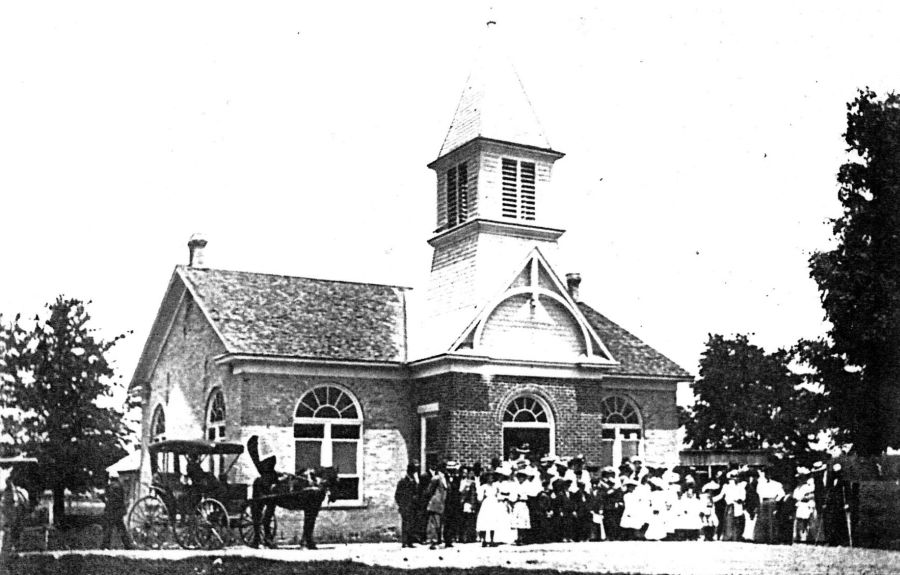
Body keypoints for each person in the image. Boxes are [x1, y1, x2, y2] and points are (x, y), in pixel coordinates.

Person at [101, 471, 135, 550]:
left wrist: (104, 499)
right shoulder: (120, 485)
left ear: (111, 478)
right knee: (121, 528)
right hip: (119, 510)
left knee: (109, 528)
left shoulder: (111, 486)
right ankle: (128, 545)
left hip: (112, 511)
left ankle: (105, 545)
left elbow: (111, 500)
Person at [753, 467, 785, 544]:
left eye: (769, 473)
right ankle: (761, 538)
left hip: (771, 502)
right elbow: (759, 495)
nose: (767, 475)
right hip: (763, 502)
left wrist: (775, 501)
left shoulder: (777, 484)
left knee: (771, 520)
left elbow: (782, 494)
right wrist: (760, 504)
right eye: (766, 473)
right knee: (762, 520)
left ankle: (772, 538)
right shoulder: (761, 484)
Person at [394, 463, 420, 548]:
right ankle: (404, 542)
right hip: (405, 506)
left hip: (412, 506)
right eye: (413, 471)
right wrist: (401, 505)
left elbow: (416, 493)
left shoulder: (414, 481)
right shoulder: (402, 482)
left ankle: (410, 542)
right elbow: (397, 495)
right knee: (405, 524)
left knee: (412, 524)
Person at [425, 463, 448, 549]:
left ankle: (439, 540)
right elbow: (429, 490)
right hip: (435, 503)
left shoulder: (444, 478)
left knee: (439, 523)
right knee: (434, 523)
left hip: (442, 503)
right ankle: (433, 541)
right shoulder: (436, 478)